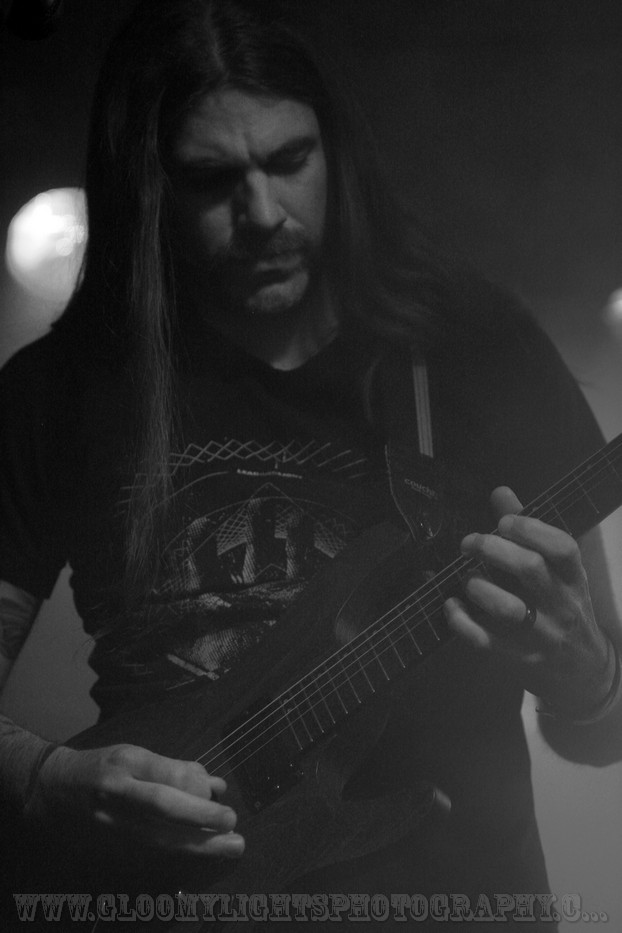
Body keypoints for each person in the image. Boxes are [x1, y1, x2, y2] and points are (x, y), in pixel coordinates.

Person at [1, 0, 621, 928]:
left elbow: (605, 730)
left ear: (336, 151)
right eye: (211, 180)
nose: (262, 214)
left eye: (289, 160)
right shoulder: (61, 387)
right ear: (147, 189)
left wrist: (587, 678)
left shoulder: (474, 349)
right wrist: (47, 781)